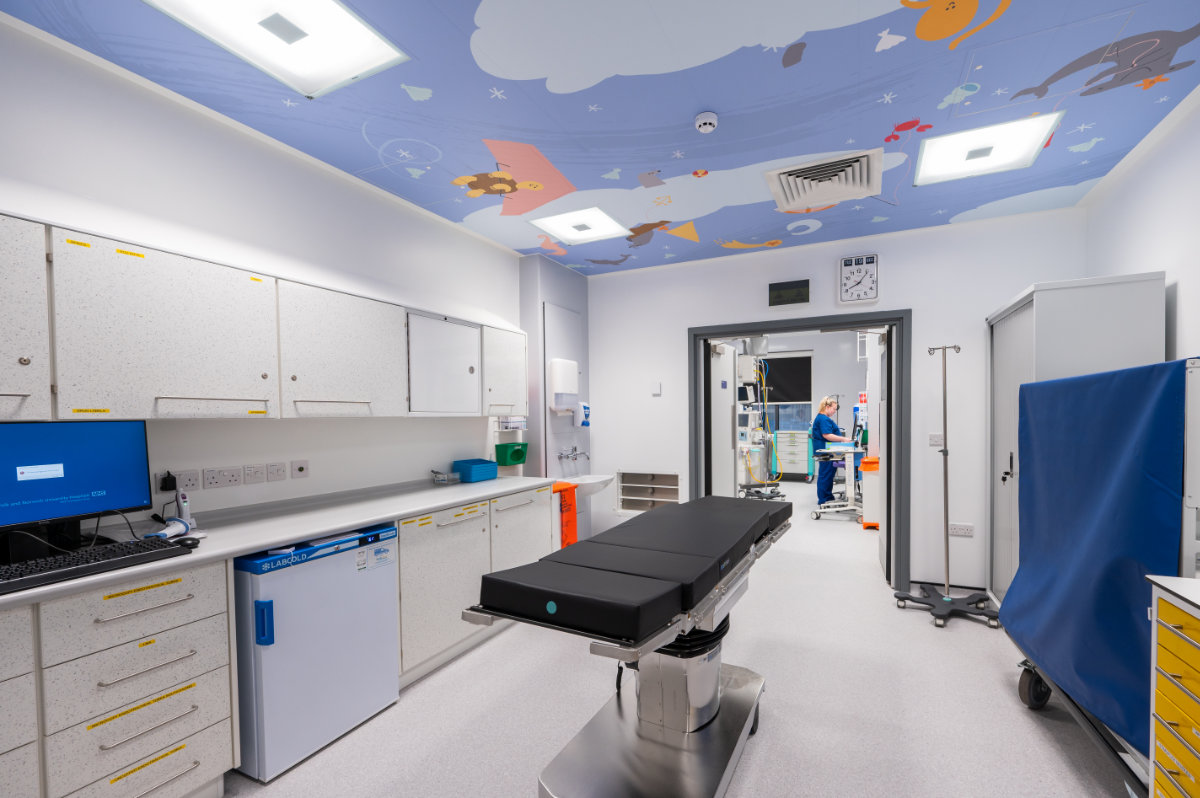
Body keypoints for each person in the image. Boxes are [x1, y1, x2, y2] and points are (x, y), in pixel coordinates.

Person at [811, 396, 852, 506]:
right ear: (827, 407)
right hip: (825, 451)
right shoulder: (823, 418)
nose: (834, 411)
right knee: (826, 474)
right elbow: (827, 435)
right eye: (833, 409)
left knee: (828, 474)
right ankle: (824, 500)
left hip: (827, 450)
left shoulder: (823, 418)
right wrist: (843, 439)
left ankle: (827, 496)